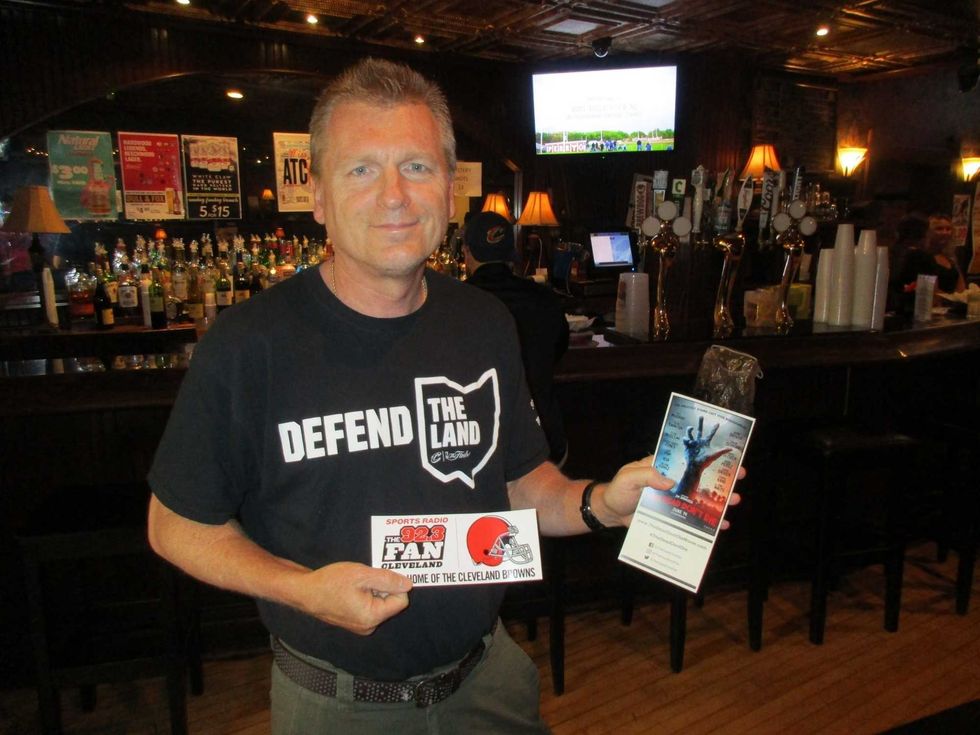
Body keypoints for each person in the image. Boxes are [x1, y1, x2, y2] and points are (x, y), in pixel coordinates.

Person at [146, 57, 740, 734]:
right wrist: (302, 590)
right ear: (317, 196)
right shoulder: (249, 344)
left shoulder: (484, 322)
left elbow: (520, 481)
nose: (394, 194)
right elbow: (174, 524)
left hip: (487, 683)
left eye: (417, 167)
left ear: (450, 189)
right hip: (337, 706)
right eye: (361, 168)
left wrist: (600, 502)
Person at [462, 210, 570, 465]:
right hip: (547, 441)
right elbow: (559, 352)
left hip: (484, 447)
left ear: (467, 252)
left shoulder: (454, 305)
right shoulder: (545, 299)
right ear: (511, 252)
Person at [897, 212, 965, 294]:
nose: (945, 232)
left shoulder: (950, 257)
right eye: (939, 229)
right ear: (927, 232)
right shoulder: (920, 257)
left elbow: (961, 289)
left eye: (948, 229)